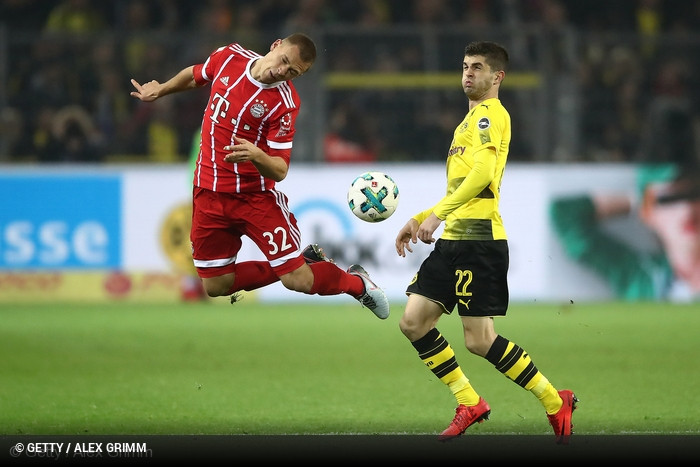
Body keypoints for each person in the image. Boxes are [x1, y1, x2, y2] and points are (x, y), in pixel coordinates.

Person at [130, 33, 389, 319]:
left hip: (253, 198)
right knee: (216, 285)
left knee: (298, 280)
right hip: (207, 194)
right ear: (276, 45)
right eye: (284, 61)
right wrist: (162, 89)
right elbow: (196, 75)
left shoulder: (285, 103)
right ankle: (303, 261)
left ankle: (357, 284)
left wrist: (256, 155)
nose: (281, 71)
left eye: (293, 72)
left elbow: (280, 169)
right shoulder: (229, 57)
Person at [394, 41, 577, 443]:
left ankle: (553, 399)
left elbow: (482, 176)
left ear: (498, 76)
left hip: (479, 240)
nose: (468, 73)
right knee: (413, 322)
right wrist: (421, 217)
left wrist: (438, 216)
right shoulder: (467, 122)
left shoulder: (489, 117)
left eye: (477, 67)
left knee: (479, 341)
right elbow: (461, 185)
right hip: (454, 240)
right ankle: (469, 402)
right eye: (464, 66)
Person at [550, 163, 700, 301]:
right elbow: (565, 215)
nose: (686, 210)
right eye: (668, 199)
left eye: (695, 194)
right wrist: (636, 200)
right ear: (647, 211)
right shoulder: (639, 276)